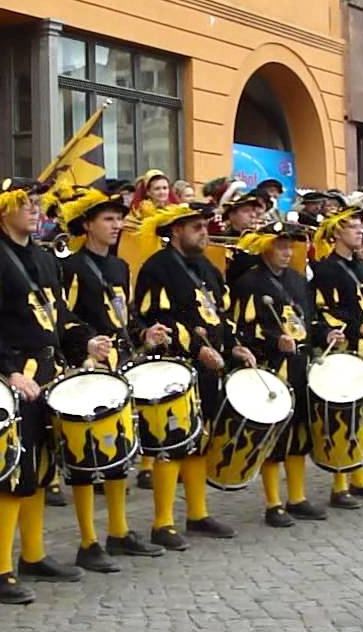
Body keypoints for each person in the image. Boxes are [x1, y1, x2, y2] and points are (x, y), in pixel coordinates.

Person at [0, 177, 107, 603]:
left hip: (48, 374)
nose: (37, 210)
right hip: (12, 377)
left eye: (39, 203)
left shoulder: (45, 257)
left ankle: (33, 555)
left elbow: (60, 315)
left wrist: (85, 341)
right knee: (11, 474)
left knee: (41, 471)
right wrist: (9, 369)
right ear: (3, 210)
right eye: (27, 203)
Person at [56, 184, 168, 569]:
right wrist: (86, 343)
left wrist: (143, 334)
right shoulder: (70, 267)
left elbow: (126, 316)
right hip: (87, 369)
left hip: (120, 367)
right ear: (87, 225)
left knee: (119, 450)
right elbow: (62, 318)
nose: (117, 225)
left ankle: (118, 532)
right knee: (87, 457)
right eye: (108, 219)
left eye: (119, 218)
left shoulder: (121, 267)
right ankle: (88, 542)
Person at [135, 202, 256, 549]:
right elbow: (151, 318)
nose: (205, 231)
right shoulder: (156, 269)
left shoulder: (208, 266)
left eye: (205, 225)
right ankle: (162, 522)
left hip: (211, 365)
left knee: (201, 439)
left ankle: (198, 513)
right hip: (176, 367)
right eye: (196, 227)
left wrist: (234, 346)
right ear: (176, 231)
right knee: (172, 444)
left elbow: (222, 313)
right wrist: (193, 349)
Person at [231, 221, 334, 526]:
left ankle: (298, 497)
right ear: (265, 246)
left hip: (299, 365)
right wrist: (274, 340)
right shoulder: (249, 283)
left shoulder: (298, 280)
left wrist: (325, 334)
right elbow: (242, 329)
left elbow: (309, 321)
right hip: (272, 367)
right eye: (281, 246)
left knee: (300, 431)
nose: (287, 252)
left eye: (290, 246)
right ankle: (273, 502)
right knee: (275, 435)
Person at [310, 206, 363, 505]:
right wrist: (359, 328)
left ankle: (359, 476)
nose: (360, 232)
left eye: (360, 227)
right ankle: (339, 484)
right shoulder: (326, 269)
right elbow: (326, 311)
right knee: (343, 414)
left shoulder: (360, 268)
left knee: (362, 414)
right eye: (353, 227)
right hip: (344, 349)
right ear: (337, 233)